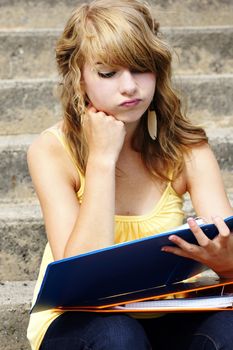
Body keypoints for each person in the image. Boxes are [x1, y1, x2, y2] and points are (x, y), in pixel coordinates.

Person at [26, 0, 233, 349]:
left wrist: (225, 261)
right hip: (81, 319)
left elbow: (227, 250)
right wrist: (102, 158)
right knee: (118, 334)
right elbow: (79, 279)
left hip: (166, 314)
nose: (130, 87)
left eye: (141, 68)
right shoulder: (51, 151)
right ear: (78, 78)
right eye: (108, 73)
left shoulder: (187, 147)